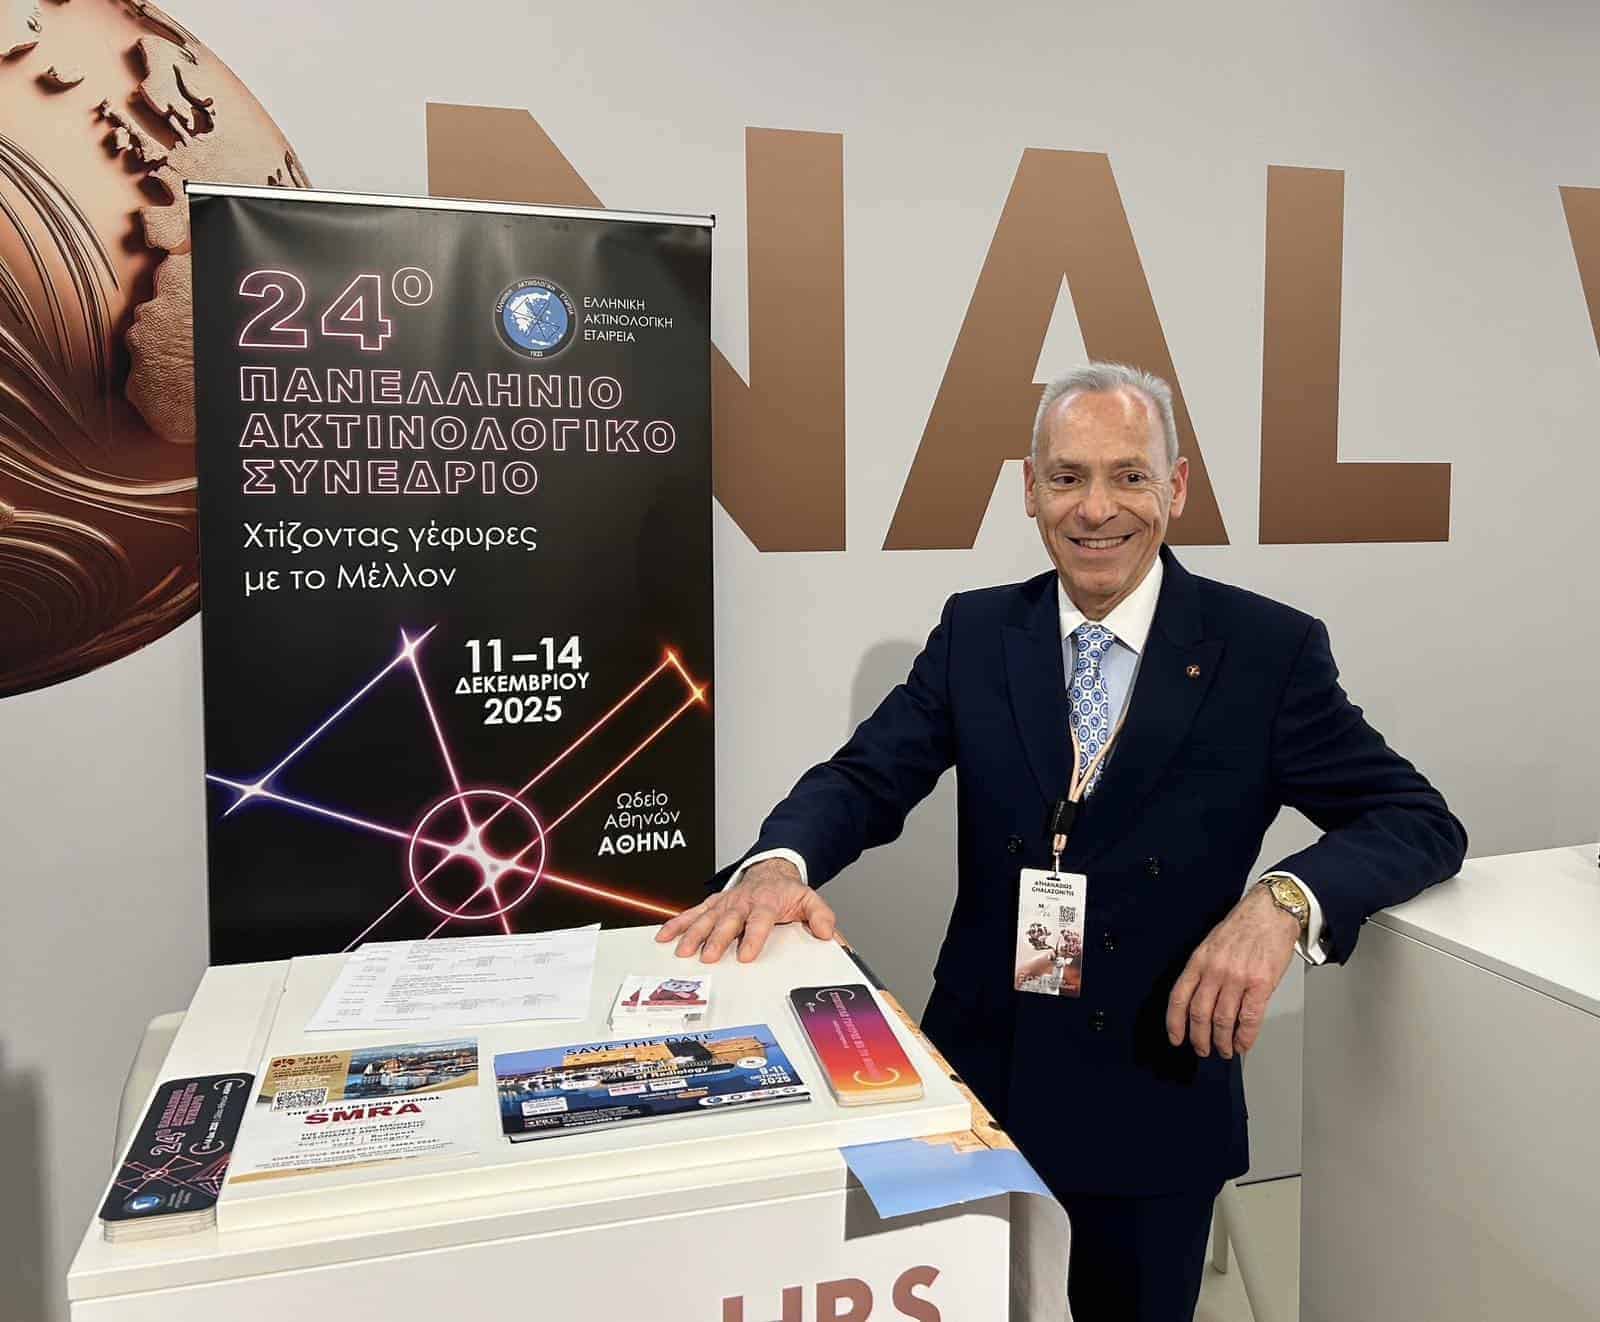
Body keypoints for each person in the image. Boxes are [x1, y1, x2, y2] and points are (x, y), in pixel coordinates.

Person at [658, 362, 1466, 1321]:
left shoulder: (1266, 652)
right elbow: (865, 776)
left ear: (1176, 487)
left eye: (1129, 476)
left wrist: (1281, 902)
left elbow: (1416, 818)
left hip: (1154, 1094)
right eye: (1068, 476)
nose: (1096, 509)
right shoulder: (976, 630)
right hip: (976, 1082)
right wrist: (776, 863)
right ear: (1030, 489)